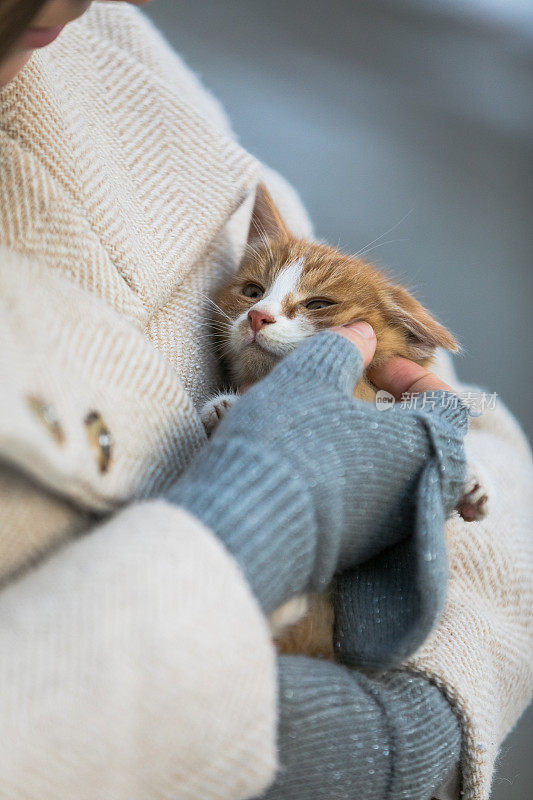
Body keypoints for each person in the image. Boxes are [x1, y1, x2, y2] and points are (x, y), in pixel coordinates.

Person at [0, 2, 531, 799]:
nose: (73, 4)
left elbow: (491, 441)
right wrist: (248, 525)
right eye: (255, 294)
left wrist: (425, 717)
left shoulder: (111, 46)